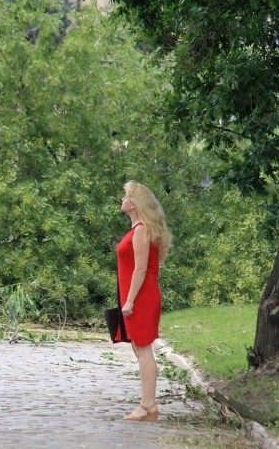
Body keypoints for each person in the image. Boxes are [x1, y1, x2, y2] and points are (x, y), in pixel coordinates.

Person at [116, 180, 172, 422]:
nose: (122, 200)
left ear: (134, 204)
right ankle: (148, 405)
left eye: (126, 197)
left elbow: (140, 270)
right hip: (137, 295)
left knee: (144, 348)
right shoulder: (138, 229)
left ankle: (147, 406)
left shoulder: (141, 230)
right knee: (140, 348)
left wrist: (129, 301)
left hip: (141, 296)